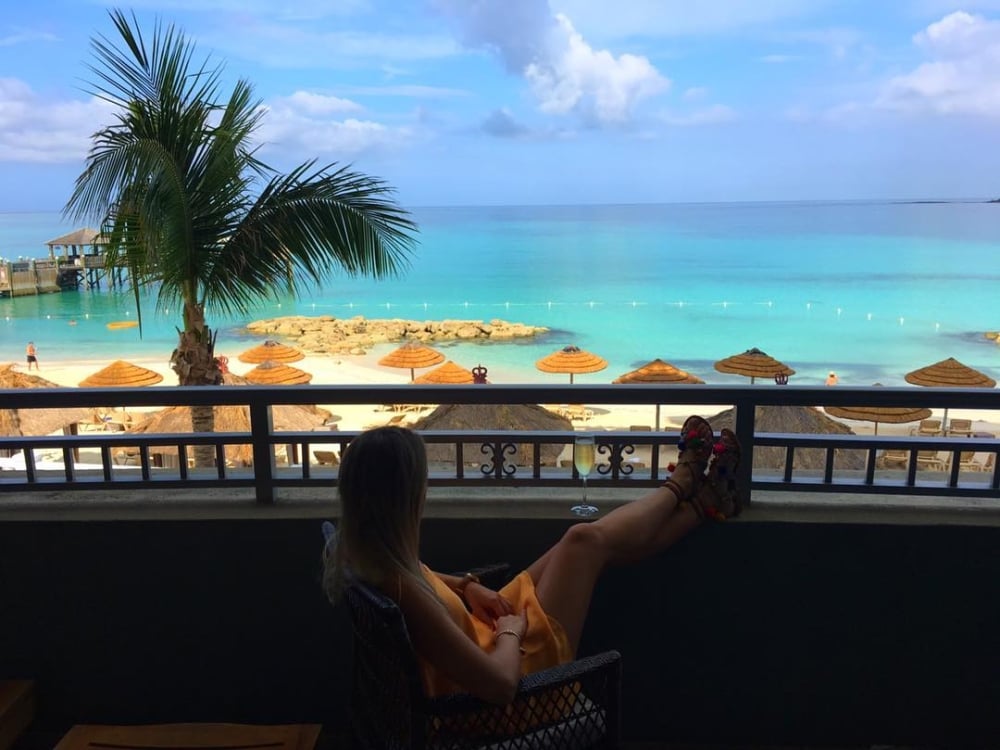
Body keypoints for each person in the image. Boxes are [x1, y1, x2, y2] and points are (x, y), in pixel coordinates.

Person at [324, 419, 742, 706]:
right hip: (512, 686)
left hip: (486, 638)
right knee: (584, 541)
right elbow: (501, 688)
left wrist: (467, 585)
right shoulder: (403, 592)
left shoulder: (365, 550)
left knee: (583, 545)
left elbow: (422, 580)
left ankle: (701, 504)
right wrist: (509, 631)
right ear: (403, 498)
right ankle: (683, 482)